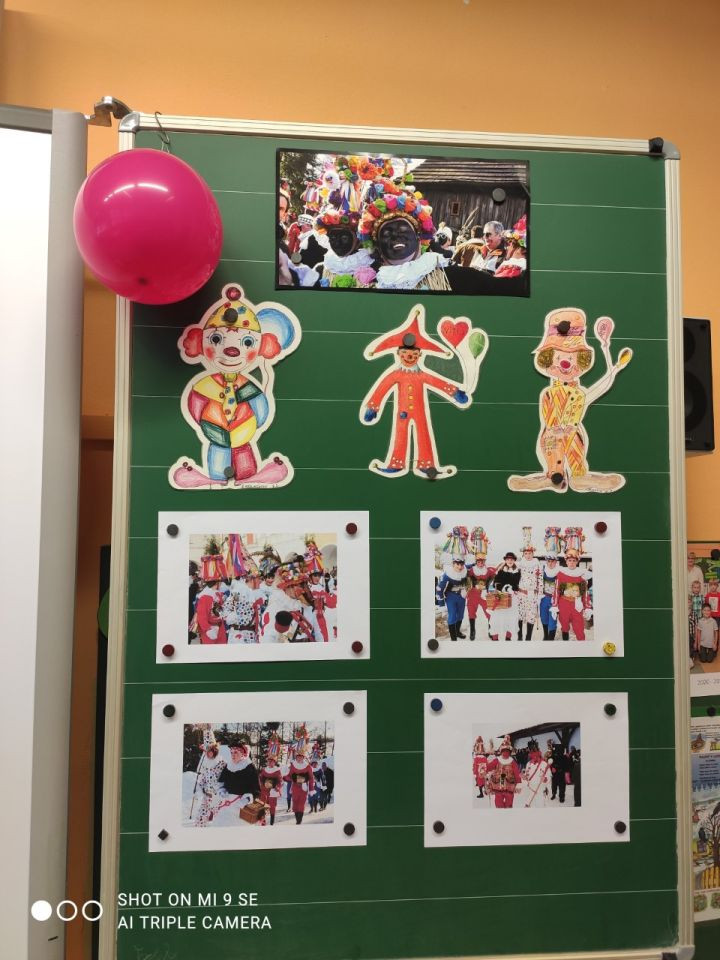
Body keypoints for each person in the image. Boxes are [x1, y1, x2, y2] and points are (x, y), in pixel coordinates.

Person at [508, 308, 632, 493]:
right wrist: (556, 428)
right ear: (548, 359)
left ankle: (578, 476)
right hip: (553, 435)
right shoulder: (549, 393)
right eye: (558, 357)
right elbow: (548, 415)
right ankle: (553, 475)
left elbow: (599, 389)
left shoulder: (579, 394)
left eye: (573, 357)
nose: (565, 363)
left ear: (581, 360)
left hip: (573, 432)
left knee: (576, 450)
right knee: (553, 450)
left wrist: (614, 371)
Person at [360, 309, 480, 479]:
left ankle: (427, 464)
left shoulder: (422, 375)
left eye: (414, 354)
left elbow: (437, 382)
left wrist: (455, 392)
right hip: (402, 412)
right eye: (405, 353)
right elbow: (382, 388)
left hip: (420, 412)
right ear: (398, 354)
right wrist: (373, 407)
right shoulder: (395, 375)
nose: (409, 357)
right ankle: (396, 464)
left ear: (420, 355)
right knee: (400, 434)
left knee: (424, 434)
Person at [358, 177, 451, 291]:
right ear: (378, 246)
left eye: (403, 230)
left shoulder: (442, 270)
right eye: (386, 234)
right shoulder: (369, 281)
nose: (395, 236)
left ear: (418, 236)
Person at [551, 548, 592, 641]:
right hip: (564, 604)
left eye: (574, 560)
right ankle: (566, 644)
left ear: (577, 561)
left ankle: (582, 646)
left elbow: (585, 593)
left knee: (579, 629)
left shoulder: (581, 574)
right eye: (570, 560)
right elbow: (557, 591)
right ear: (566, 561)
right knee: (564, 627)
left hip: (577, 605)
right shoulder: (561, 574)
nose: (572, 563)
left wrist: (587, 607)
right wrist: (554, 606)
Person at [192, 725, 227, 827]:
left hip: (218, 798)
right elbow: (202, 779)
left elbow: (227, 780)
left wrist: (222, 791)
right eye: (206, 750)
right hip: (207, 797)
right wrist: (199, 789)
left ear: (214, 750)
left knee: (219, 822)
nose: (207, 753)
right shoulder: (206, 764)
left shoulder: (222, 763)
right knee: (200, 820)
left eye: (210, 750)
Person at [217, 737, 261, 810]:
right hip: (227, 803)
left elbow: (256, 790)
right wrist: (222, 791)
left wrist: (247, 799)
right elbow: (221, 782)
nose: (233, 755)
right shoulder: (228, 766)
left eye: (236, 752)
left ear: (242, 753)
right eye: (231, 752)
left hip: (242, 807)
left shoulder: (249, 767)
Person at [436, 554, 472, 640]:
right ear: (453, 563)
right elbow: (439, 590)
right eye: (457, 564)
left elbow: (469, 566)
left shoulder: (464, 569)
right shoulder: (447, 574)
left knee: (460, 615)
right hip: (451, 596)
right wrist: (441, 604)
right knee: (452, 616)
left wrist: (477, 562)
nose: (460, 567)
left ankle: (457, 632)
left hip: (461, 596)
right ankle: (453, 637)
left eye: (461, 564)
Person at [488, 552, 521, 641]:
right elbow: (495, 583)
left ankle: (508, 638)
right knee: (497, 619)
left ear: (514, 560)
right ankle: (495, 639)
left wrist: (513, 589)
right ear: (505, 560)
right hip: (501, 598)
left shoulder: (517, 571)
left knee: (510, 618)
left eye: (511, 559)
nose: (510, 561)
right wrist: (505, 588)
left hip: (512, 599)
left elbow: (517, 584)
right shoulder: (501, 571)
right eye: (508, 559)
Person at [486, 738, 522, 808]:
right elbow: (489, 767)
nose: (505, 753)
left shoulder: (512, 762)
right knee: (500, 803)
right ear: (501, 751)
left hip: (508, 786)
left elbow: (517, 774)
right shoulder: (498, 760)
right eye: (504, 751)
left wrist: (519, 783)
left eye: (507, 751)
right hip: (500, 785)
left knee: (507, 803)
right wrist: (484, 769)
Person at [517, 542, 542, 641]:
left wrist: (540, 594)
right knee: (520, 615)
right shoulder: (520, 564)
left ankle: (528, 638)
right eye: (526, 553)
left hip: (532, 594)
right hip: (521, 593)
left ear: (533, 553)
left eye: (530, 553)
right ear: (523, 554)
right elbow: (516, 577)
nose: (528, 555)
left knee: (531, 616)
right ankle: (519, 636)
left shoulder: (537, 564)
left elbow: (540, 579)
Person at [284, 749, 315, 824]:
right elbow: (290, 776)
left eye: (301, 756)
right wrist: (284, 777)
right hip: (295, 787)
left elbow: (311, 778)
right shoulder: (293, 765)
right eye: (298, 756)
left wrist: (311, 788)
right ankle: (297, 819)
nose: (299, 758)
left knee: (301, 804)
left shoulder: (307, 766)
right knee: (295, 804)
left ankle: (299, 821)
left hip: (303, 788)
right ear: (296, 757)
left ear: (303, 757)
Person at [195, 579, 227, 644]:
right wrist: (208, 629)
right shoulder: (204, 597)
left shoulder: (218, 594)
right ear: (216, 584)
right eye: (219, 582)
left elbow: (221, 610)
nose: (221, 584)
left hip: (220, 627)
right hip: (210, 629)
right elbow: (201, 616)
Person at [539, 552, 560, 640]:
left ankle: (551, 639)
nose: (550, 563)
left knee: (552, 620)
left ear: (556, 562)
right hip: (544, 598)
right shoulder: (542, 570)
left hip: (554, 600)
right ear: (546, 561)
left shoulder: (559, 571)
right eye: (549, 561)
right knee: (544, 618)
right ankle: (545, 636)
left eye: (552, 561)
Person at [258, 754, 283, 826]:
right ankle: (263, 822)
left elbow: (280, 781)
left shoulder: (277, 771)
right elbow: (261, 779)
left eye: (272, 761)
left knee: (272, 807)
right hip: (264, 790)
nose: (270, 762)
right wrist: (261, 784)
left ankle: (272, 823)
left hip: (273, 791)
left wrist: (277, 787)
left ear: (274, 762)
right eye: (269, 761)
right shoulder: (264, 770)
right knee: (263, 806)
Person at [689, 580, 705, 658]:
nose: (696, 589)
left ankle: (700, 648)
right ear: (692, 588)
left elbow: (704, 608)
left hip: (700, 618)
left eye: (698, 587)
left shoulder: (702, 597)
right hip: (693, 618)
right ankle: (693, 649)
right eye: (694, 587)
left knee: (700, 633)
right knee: (694, 634)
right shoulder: (690, 597)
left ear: (700, 588)